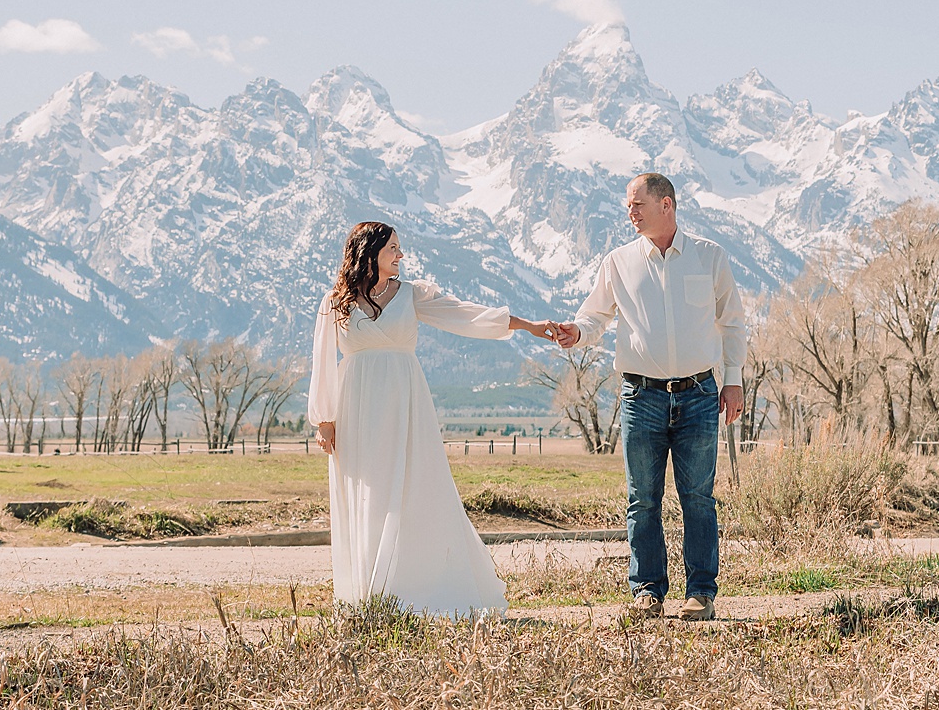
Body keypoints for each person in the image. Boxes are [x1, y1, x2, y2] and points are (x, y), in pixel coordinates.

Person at [308, 220, 559, 617]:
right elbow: (322, 361)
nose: (401, 255)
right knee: (366, 492)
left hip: (406, 403)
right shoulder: (334, 302)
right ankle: (369, 594)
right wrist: (324, 419)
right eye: (393, 247)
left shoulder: (412, 296)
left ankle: (413, 588)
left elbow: (468, 315)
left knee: (414, 488)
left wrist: (528, 326)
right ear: (369, 251)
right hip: (355, 408)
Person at [553, 173, 747, 621]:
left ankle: (700, 593)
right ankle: (647, 592)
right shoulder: (619, 261)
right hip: (641, 397)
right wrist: (576, 332)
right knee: (643, 498)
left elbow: (732, 321)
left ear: (667, 204)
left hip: (700, 394)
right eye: (628, 205)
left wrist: (733, 379)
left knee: (698, 497)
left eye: (638, 204)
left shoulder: (709, 256)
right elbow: (594, 315)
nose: (630, 212)